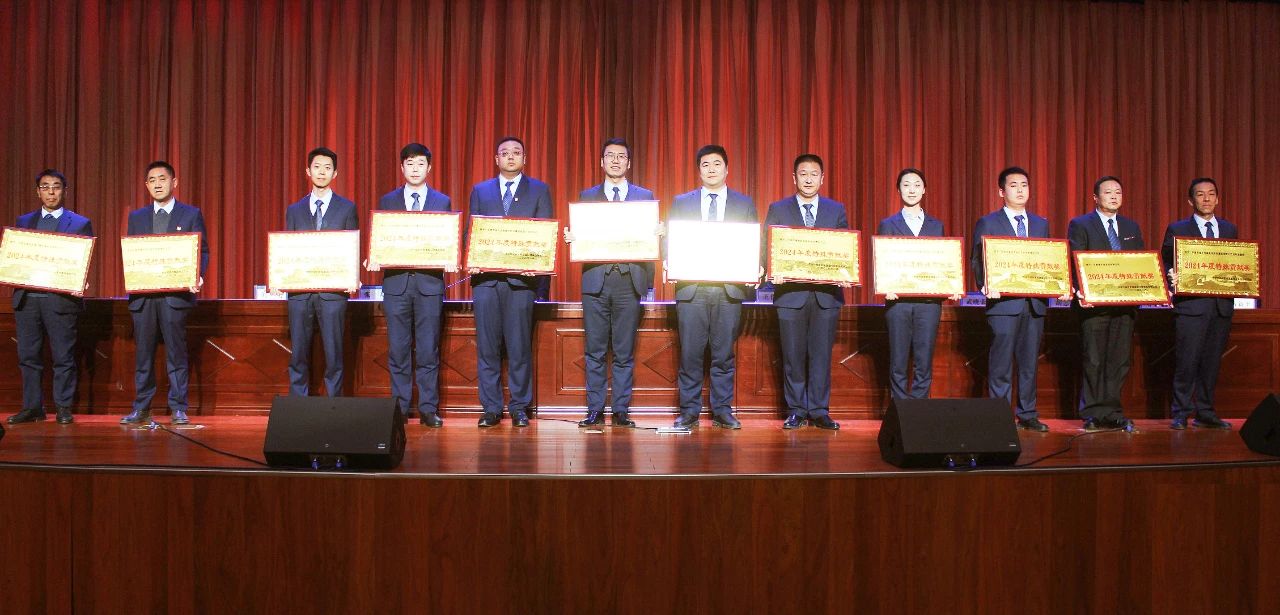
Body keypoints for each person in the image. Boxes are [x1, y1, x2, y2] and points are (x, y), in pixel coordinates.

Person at [970, 166, 1068, 432]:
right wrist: (985, 285)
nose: (1020, 190)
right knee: (1001, 363)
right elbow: (977, 259)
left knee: (1029, 363)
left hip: (1034, 304)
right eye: (1013, 185)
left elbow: (1048, 260)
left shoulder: (1040, 223)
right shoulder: (988, 222)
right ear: (1001, 192)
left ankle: (1028, 414)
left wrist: (1059, 284)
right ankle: (999, 416)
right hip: (1003, 304)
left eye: (1024, 185)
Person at [667, 144, 758, 429]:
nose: (711, 169)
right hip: (692, 288)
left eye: (717, 164)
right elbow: (671, 240)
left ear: (727, 169)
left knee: (723, 354)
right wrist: (671, 260)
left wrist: (755, 267)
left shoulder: (744, 203)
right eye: (705, 164)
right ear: (699, 171)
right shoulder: (682, 202)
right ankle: (689, 411)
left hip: (728, 289)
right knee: (690, 354)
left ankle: (722, 410)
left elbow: (754, 244)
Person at [569, 138, 656, 429]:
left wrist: (650, 283)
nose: (615, 161)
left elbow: (650, 243)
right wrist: (574, 239)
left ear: (628, 163)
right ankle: (595, 409)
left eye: (621, 156)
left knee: (623, 352)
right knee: (594, 350)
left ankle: (620, 410)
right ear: (601, 162)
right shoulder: (587, 197)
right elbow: (581, 236)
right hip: (596, 281)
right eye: (610, 156)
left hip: (629, 282)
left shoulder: (645, 197)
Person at [468, 136, 553, 427]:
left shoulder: (539, 190)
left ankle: (519, 407)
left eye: (516, 152)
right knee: (487, 348)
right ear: (497, 159)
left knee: (519, 348)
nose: (511, 156)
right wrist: (473, 257)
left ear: (524, 159)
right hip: (486, 283)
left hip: (521, 284)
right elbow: (472, 231)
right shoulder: (480, 190)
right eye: (505, 153)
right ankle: (491, 408)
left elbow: (544, 234)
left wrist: (537, 264)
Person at [119, 161, 210, 425]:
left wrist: (197, 275)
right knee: (143, 355)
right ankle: (142, 407)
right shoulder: (137, 217)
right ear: (146, 185)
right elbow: (132, 252)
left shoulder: (190, 214)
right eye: (152, 180)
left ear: (174, 182)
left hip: (175, 297)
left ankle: (178, 408)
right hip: (144, 297)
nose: (158, 184)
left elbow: (202, 250)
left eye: (162, 179)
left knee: (176, 353)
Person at [764, 154, 847, 430]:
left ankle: (820, 410)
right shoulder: (778, 208)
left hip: (826, 297)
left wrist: (846, 271)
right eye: (803, 174)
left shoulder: (836, 210)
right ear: (794, 178)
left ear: (822, 178)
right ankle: (797, 409)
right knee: (792, 356)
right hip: (791, 296)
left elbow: (844, 249)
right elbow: (767, 246)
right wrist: (771, 268)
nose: (808, 179)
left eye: (814, 174)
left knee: (821, 356)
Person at [7, 169, 94, 425]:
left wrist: (80, 280)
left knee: (63, 357)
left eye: (56, 186)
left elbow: (82, 260)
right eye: (45, 187)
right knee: (28, 357)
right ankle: (32, 407)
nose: (51, 191)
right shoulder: (24, 221)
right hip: (27, 300)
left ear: (64, 191)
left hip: (60, 300)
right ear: (38, 192)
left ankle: (63, 407)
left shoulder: (79, 223)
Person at [375, 143, 453, 427]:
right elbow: (381, 238)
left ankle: (428, 409)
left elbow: (447, 240)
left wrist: (450, 256)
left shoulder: (442, 202)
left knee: (428, 350)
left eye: (421, 163)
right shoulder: (388, 201)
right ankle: (399, 408)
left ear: (429, 168)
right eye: (410, 163)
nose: (415, 168)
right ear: (402, 167)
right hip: (396, 285)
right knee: (398, 350)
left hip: (428, 286)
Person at [1066, 176, 1142, 432]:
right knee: (1094, 359)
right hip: (1093, 306)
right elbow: (1075, 260)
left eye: (1118, 192)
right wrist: (1082, 291)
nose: (1113, 196)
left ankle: (1113, 412)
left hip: (1124, 305)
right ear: (1095, 198)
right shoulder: (1080, 224)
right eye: (1108, 192)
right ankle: (1093, 413)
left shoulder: (1131, 227)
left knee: (1119, 360)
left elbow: (1141, 263)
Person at [877, 168, 959, 401]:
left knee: (924, 360)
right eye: (906, 185)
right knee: (898, 360)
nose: (911, 190)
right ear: (898, 190)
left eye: (916, 185)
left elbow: (942, 261)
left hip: (928, 303)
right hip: (898, 303)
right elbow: (882, 259)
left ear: (924, 190)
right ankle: (900, 409)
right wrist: (886, 285)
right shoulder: (888, 224)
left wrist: (950, 285)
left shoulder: (936, 226)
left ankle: (919, 409)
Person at [1161, 177, 1237, 430]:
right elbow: (1166, 261)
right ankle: (1181, 412)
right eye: (1200, 194)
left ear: (1218, 199)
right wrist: (1171, 274)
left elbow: (1237, 263)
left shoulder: (1229, 229)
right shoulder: (1177, 228)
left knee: (1212, 363)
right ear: (1190, 200)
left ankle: (1205, 412)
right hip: (1191, 307)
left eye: (1211, 194)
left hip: (1221, 306)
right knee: (1187, 361)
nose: (1206, 199)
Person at [284, 147, 359, 396]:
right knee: (298, 353)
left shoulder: (347, 208)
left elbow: (352, 246)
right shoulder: (294, 210)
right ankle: (298, 403)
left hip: (333, 294)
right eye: (317, 167)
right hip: (300, 293)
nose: (321, 172)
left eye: (327, 168)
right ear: (308, 171)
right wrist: (280, 276)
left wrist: (351, 276)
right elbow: (287, 249)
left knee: (334, 353)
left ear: (335, 173)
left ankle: (333, 405)